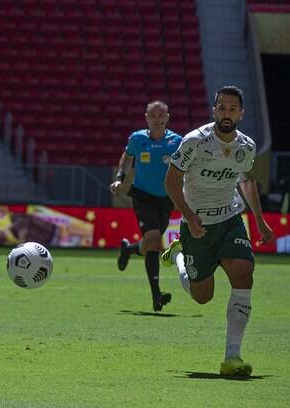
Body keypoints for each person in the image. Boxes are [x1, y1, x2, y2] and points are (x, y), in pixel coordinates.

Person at [161, 86, 274, 376]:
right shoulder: (195, 142)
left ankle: (232, 358)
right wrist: (189, 217)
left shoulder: (246, 146)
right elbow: (171, 182)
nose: (227, 113)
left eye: (232, 109)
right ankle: (180, 259)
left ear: (241, 113)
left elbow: (246, 181)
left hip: (230, 218)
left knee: (243, 273)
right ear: (214, 111)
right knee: (203, 296)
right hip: (197, 225)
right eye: (222, 108)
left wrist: (259, 220)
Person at [109, 101, 182, 312]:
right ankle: (156, 295)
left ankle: (129, 249)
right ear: (146, 118)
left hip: (166, 199)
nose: (157, 119)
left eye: (161, 115)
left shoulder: (177, 142)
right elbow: (127, 156)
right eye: (153, 115)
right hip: (143, 196)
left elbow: (186, 166)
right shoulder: (137, 139)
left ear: (168, 117)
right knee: (153, 240)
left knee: (152, 244)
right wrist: (120, 177)